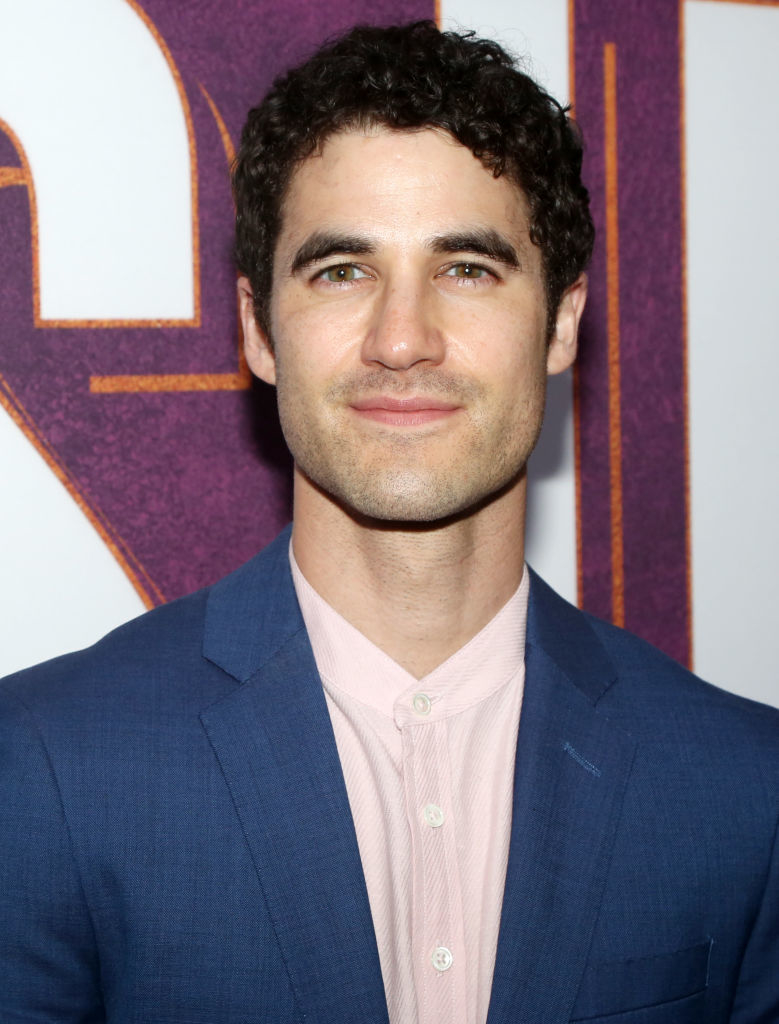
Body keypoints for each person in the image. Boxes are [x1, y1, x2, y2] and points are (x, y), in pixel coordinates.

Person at [1, 20, 777, 1024]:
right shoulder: (46, 768)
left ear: (560, 322)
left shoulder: (740, 789)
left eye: (466, 269)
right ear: (257, 329)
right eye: (341, 270)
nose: (401, 339)